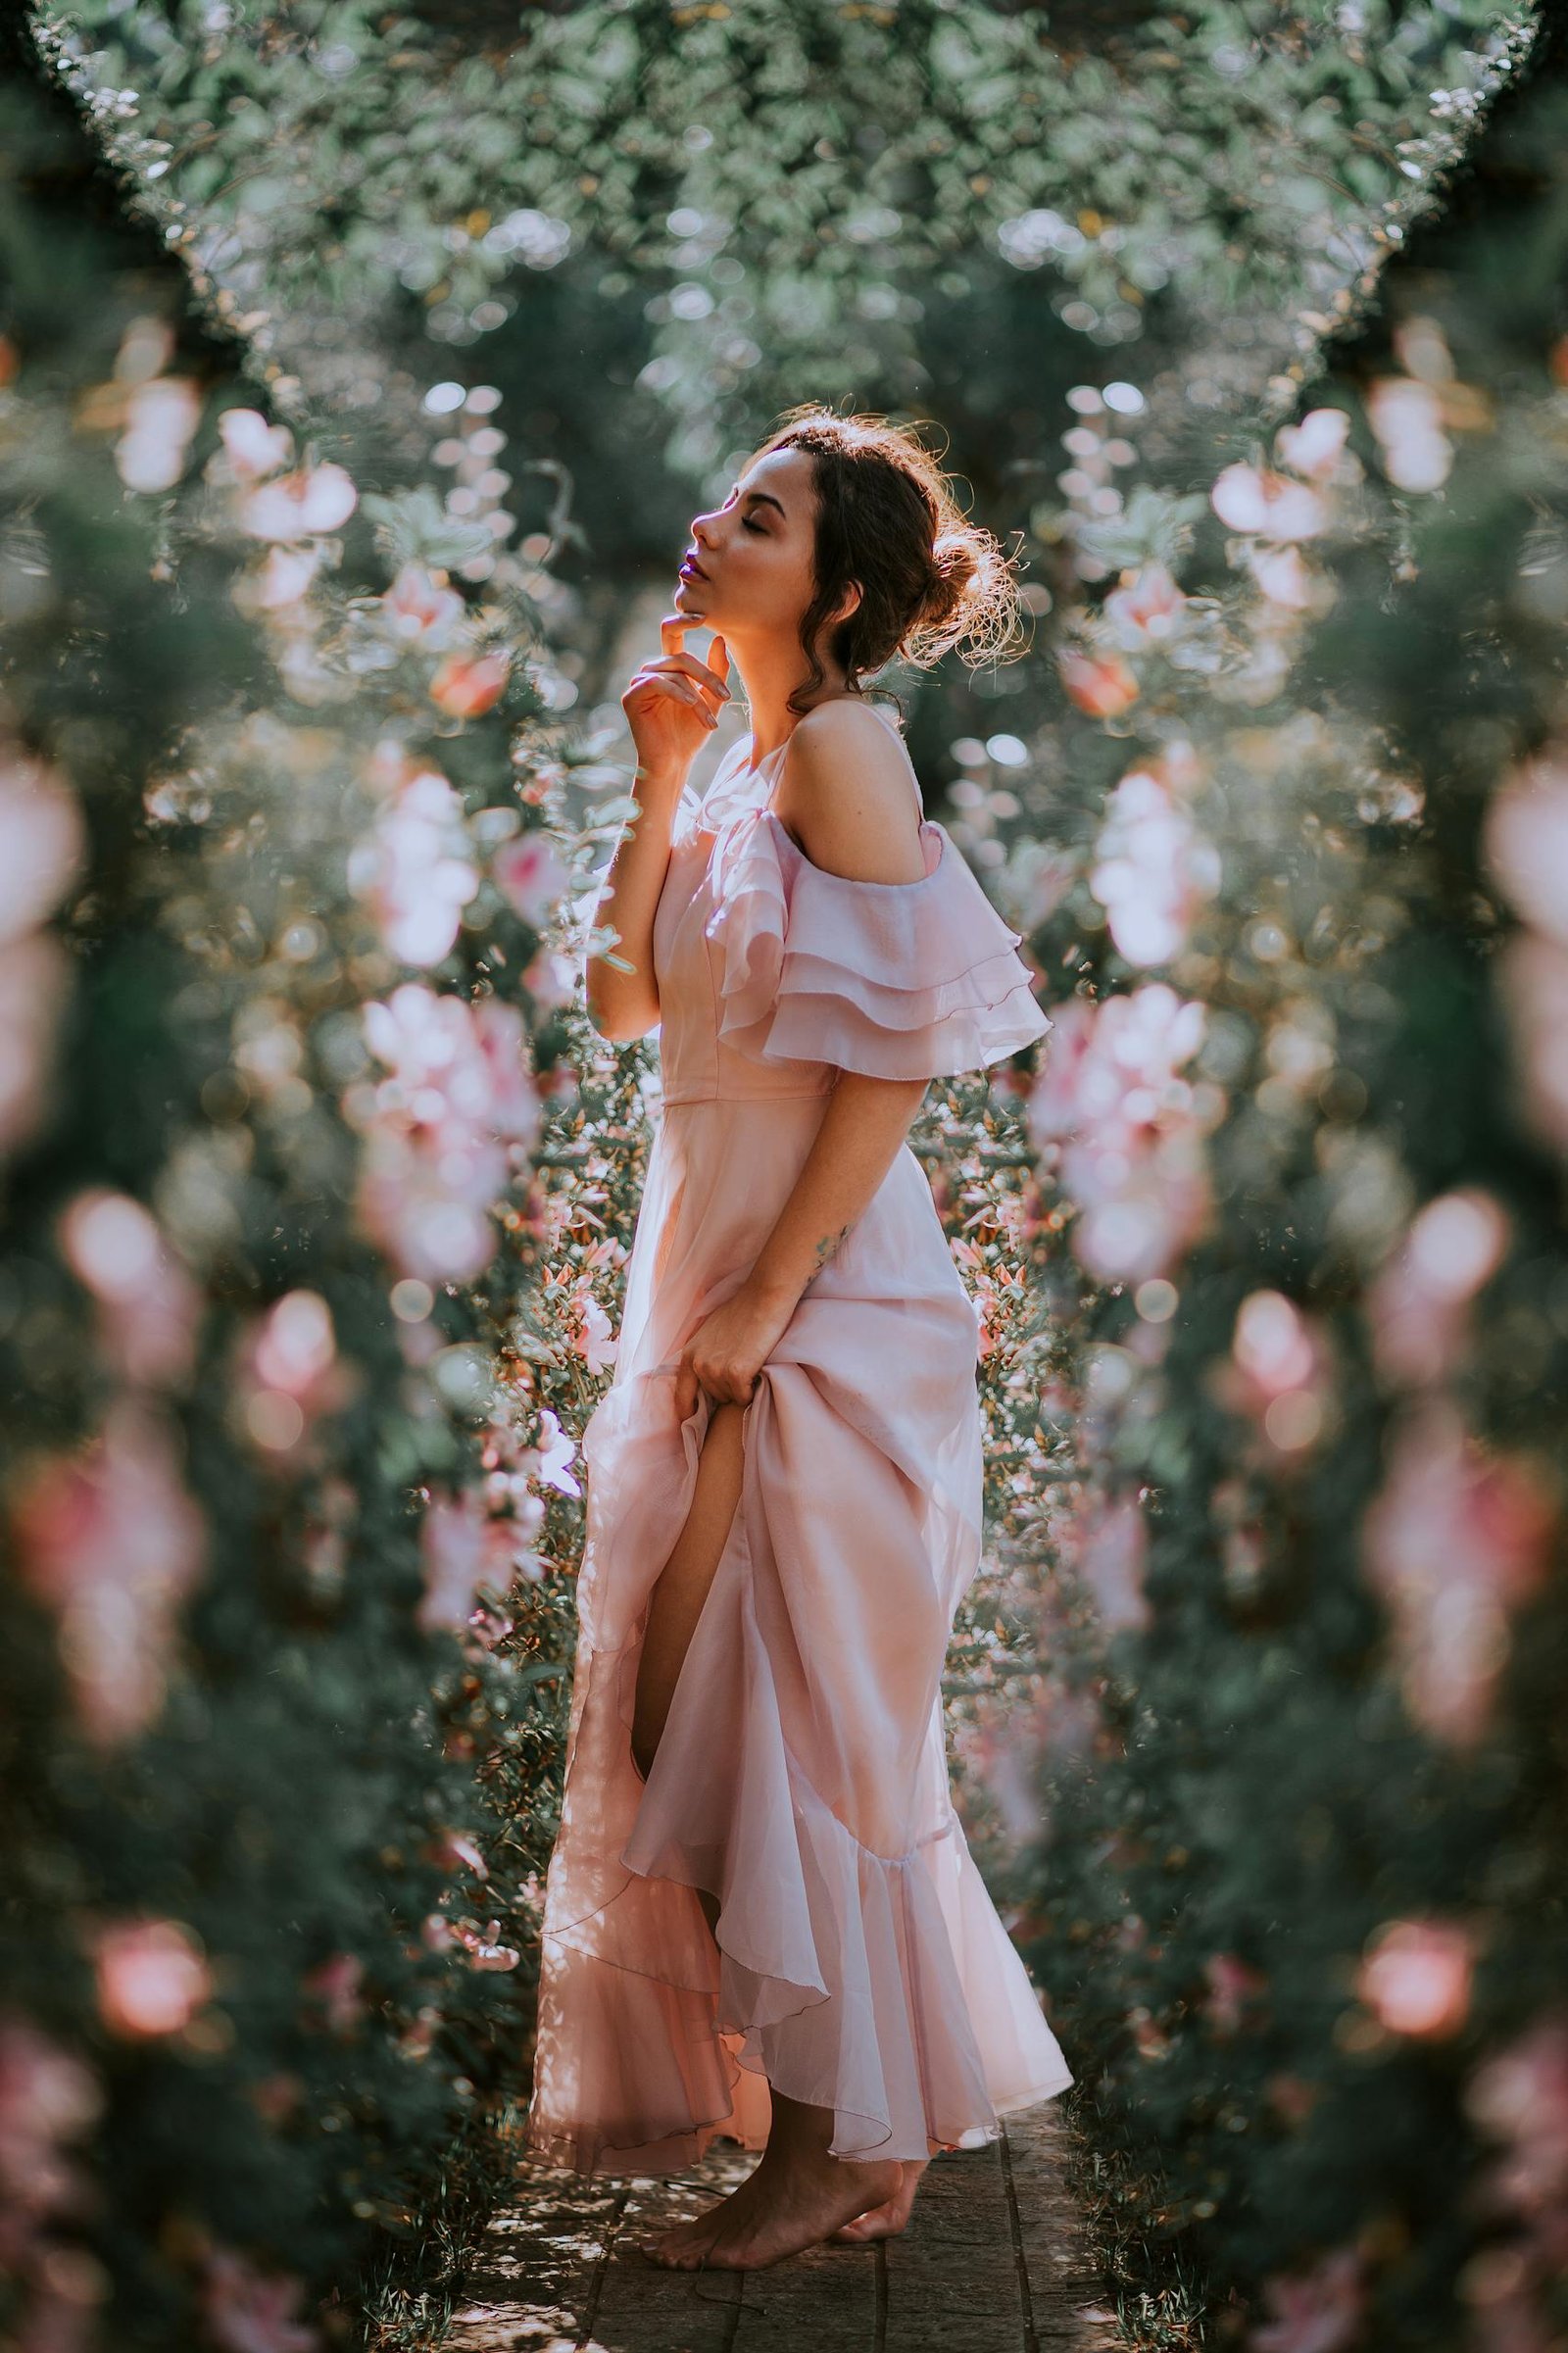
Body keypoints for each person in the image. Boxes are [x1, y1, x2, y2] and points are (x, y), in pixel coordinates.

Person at [525, 406, 1073, 2270]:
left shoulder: (847, 747)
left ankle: (825, 2145)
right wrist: (659, 775)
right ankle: (862, 2120)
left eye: (754, 515)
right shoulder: (760, 762)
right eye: (724, 498)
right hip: (716, 1266)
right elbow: (620, 1001)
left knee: (760, 1699)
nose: (707, 524)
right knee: (700, 1699)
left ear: (835, 589)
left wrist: (774, 1292)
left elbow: (900, 1044)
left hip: (820, 1283)